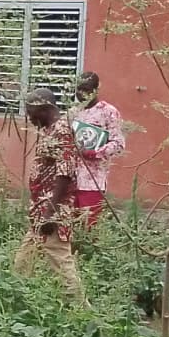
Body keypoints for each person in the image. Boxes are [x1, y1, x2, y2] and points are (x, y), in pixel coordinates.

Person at [19, 87, 86, 303]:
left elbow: (65, 173)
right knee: (22, 262)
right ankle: (15, 300)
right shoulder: (49, 130)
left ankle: (82, 311)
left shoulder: (62, 131)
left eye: (31, 112)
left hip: (53, 212)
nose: (29, 118)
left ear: (44, 109)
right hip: (41, 210)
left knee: (61, 261)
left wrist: (51, 213)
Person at [66, 71, 125, 227]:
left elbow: (118, 143)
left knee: (89, 227)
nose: (81, 94)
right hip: (70, 179)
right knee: (69, 226)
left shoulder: (108, 112)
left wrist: (95, 153)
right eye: (78, 89)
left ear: (96, 90)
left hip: (93, 181)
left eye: (86, 90)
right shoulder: (73, 112)